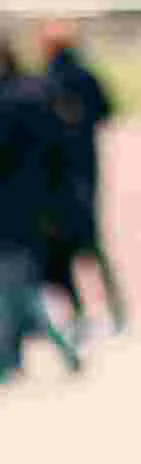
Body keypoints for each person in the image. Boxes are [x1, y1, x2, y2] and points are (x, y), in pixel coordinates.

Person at [37, 19, 128, 337]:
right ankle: (115, 311)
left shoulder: (47, 80)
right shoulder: (85, 76)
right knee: (90, 245)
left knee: (63, 246)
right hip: (85, 169)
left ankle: (78, 315)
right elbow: (108, 111)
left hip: (59, 175)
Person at [0, 39, 82, 380]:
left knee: (14, 286)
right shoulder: (37, 93)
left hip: (13, 206)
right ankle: (20, 355)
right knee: (18, 286)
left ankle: (11, 358)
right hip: (37, 206)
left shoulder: (13, 101)